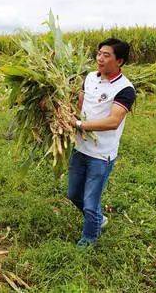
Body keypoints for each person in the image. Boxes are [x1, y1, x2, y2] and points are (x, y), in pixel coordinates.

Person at [67, 38, 136, 248]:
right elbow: (80, 104)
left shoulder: (125, 89)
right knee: (73, 194)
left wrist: (79, 124)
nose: (100, 58)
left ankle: (89, 238)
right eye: (99, 53)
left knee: (90, 203)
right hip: (80, 149)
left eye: (106, 55)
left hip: (101, 154)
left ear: (120, 61)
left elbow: (113, 121)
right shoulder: (89, 78)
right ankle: (100, 218)